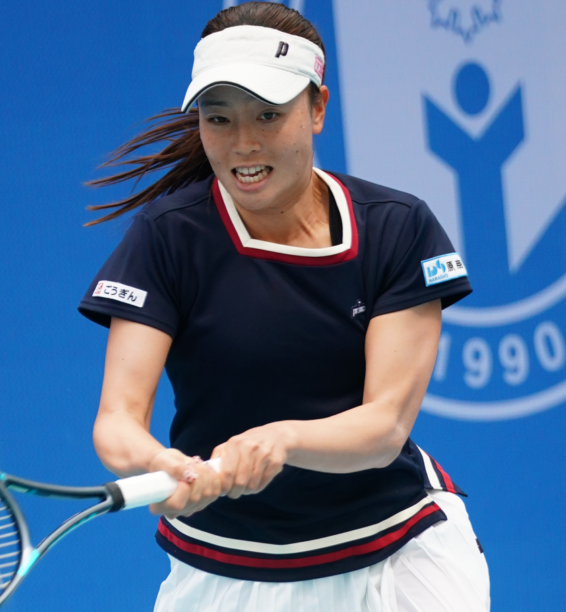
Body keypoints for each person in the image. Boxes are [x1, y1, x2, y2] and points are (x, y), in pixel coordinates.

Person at [78, 3, 490, 611]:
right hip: (224, 569)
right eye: (219, 118)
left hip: (397, 553)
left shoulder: (397, 227)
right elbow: (117, 418)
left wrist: (281, 440)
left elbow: (384, 427)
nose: (243, 144)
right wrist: (157, 462)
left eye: (268, 115)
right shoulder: (167, 237)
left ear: (318, 108)